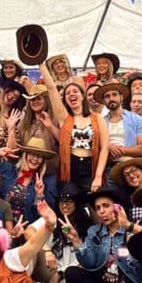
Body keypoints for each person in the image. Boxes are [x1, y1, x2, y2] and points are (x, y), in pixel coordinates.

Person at [63, 188, 142, 283]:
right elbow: (90, 264)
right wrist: (76, 242)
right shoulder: (94, 231)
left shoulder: (133, 229)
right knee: (71, 272)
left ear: (117, 207)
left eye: (106, 206)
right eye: (98, 208)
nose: (101, 211)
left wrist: (133, 248)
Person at [40, 61, 109, 193]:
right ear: (65, 100)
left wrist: (98, 176)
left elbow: (105, 147)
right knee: (69, 203)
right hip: (70, 167)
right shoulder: (64, 118)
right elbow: (51, 89)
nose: (71, 94)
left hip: (91, 167)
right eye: (68, 93)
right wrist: (41, 65)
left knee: (90, 206)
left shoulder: (97, 117)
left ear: (83, 96)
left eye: (75, 91)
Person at [0, 137, 56, 227]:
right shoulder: (8, 169)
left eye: (39, 156)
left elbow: (38, 216)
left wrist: (39, 195)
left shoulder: (42, 182)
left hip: (23, 230)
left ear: (42, 161)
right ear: (25, 155)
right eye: (32, 154)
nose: (35, 159)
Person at [97, 82, 142, 172]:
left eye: (114, 94)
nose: (111, 98)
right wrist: (108, 146)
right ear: (103, 101)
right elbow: (94, 144)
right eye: (107, 96)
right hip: (107, 167)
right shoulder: (100, 122)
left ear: (121, 97)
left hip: (132, 165)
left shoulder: (137, 119)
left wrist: (120, 150)